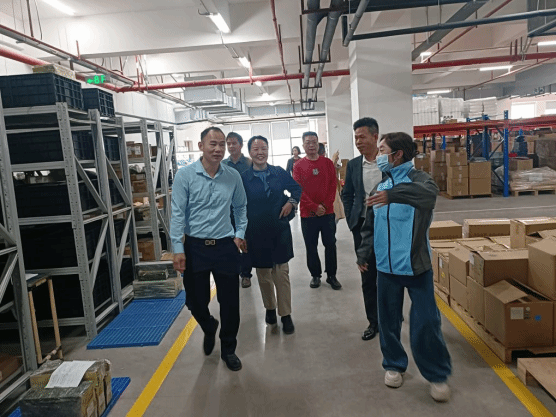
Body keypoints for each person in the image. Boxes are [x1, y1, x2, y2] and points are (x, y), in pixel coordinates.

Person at [356, 132, 452, 402]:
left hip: (415, 267)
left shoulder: (420, 180)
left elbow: (428, 196)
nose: (378, 155)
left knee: (426, 322)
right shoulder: (379, 187)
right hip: (386, 269)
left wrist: (393, 195)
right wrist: (364, 252)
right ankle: (394, 364)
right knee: (388, 320)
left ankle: (436, 374)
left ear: (397, 154)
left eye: (382, 150)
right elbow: (369, 225)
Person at [170, 126, 248, 372]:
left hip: (225, 246)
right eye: (212, 144)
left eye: (221, 144)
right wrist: (178, 248)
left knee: (230, 302)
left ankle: (228, 349)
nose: (218, 149)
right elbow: (177, 213)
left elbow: (241, 208)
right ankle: (208, 324)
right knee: (194, 301)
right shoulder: (185, 175)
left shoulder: (232, 176)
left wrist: (239, 235)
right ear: (201, 146)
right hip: (195, 247)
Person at [241, 135, 302, 334]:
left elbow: (296, 188)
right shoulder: (244, 178)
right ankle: (270, 308)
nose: (260, 153)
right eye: (256, 149)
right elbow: (238, 207)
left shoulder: (278, 172)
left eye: (264, 148)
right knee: (264, 274)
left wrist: (291, 202)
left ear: (268, 150)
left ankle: (286, 314)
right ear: (250, 152)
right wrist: (240, 234)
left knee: (281, 273)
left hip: (279, 230)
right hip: (256, 232)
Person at [341, 117, 381, 342]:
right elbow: (347, 194)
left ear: (375, 137)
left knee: (389, 274)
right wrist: (351, 220)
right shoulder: (355, 165)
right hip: (362, 226)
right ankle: (373, 321)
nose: (358, 142)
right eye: (355, 138)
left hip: (386, 226)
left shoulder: (388, 162)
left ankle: (390, 315)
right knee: (367, 274)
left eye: (362, 137)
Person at [293, 131, 341, 290]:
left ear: (318, 144)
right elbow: (298, 189)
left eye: (314, 142)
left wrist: (325, 206)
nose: (311, 145)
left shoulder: (327, 163)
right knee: (311, 246)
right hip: (308, 214)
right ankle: (315, 275)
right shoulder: (298, 166)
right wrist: (314, 207)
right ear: (303, 145)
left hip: (327, 213)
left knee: (330, 244)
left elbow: (333, 186)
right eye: (308, 142)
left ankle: (332, 275)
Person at [223, 132, 253, 289]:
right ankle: (232, 272)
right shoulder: (222, 165)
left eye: (234, 143)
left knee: (245, 242)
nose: (231, 146)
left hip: (246, 209)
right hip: (226, 212)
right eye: (228, 143)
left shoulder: (249, 163)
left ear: (241, 145)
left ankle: (246, 274)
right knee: (229, 243)